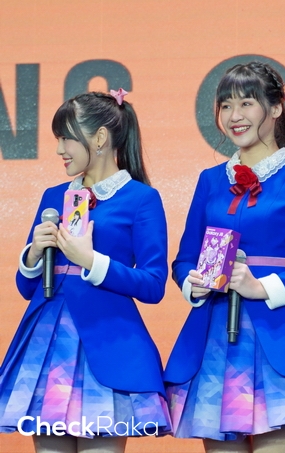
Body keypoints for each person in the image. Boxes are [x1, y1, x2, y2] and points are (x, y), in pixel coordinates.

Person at [164, 62, 285, 453]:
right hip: (214, 334)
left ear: (275, 108)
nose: (234, 116)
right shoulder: (209, 180)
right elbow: (183, 261)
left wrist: (264, 287)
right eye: (226, 106)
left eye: (246, 103)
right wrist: (193, 282)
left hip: (280, 331)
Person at [0, 90, 171, 453]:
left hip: (109, 341)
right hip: (48, 343)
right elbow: (25, 288)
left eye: (66, 138)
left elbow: (154, 284)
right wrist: (34, 253)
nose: (59, 149)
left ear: (100, 137)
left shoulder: (141, 199)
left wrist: (92, 262)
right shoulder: (53, 196)